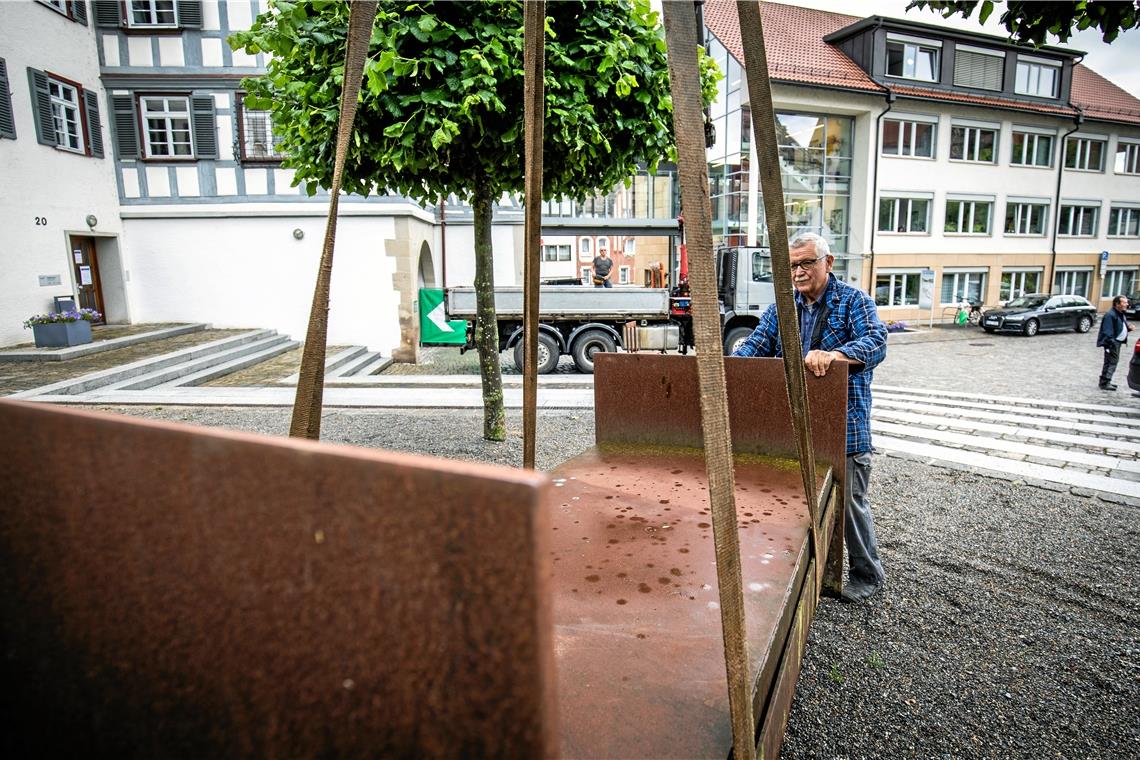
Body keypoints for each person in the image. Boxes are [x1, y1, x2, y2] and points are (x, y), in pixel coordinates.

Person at [732, 232, 888, 604]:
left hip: (845, 427)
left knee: (850, 504)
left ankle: (868, 573)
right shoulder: (783, 308)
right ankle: (805, 568)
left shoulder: (855, 302)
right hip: (797, 428)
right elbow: (756, 346)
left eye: (806, 263)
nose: (798, 272)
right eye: (791, 266)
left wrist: (834, 356)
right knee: (796, 500)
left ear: (828, 262)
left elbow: (876, 342)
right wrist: (732, 362)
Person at [1096, 294, 1133, 390]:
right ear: (1117, 304)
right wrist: (1111, 343)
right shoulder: (1110, 315)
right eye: (1124, 302)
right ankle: (1105, 382)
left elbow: (1118, 328)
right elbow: (1107, 331)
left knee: (1112, 362)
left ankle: (1106, 381)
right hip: (1112, 343)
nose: (1126, 304)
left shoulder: (1120, 314)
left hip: (1116, 342)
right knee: (1111, 362)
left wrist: (1128, 329)